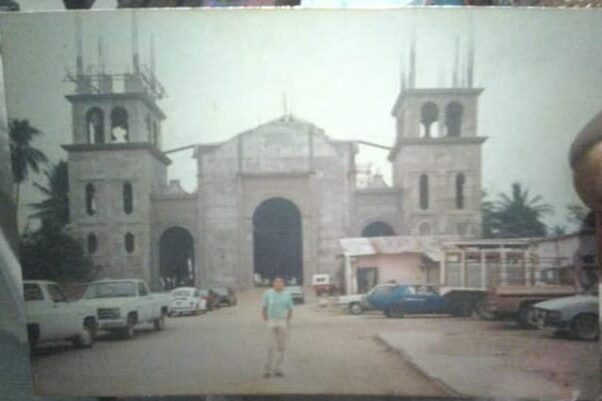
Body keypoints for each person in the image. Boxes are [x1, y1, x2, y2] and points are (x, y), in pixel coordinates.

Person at [262, 277, 293, 378]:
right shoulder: (267, 293)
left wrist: (287, 320)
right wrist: (265, 318)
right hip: (271, 320)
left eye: (280, 283)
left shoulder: (287, 295)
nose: (278, 284)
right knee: (270, 346)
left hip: (282, 320)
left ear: (283, 285)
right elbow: (264, 307)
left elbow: (290, 309)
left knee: (282, 346)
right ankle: (267, 370)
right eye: (276, 282)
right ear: (273, 284)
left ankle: (278, 369)